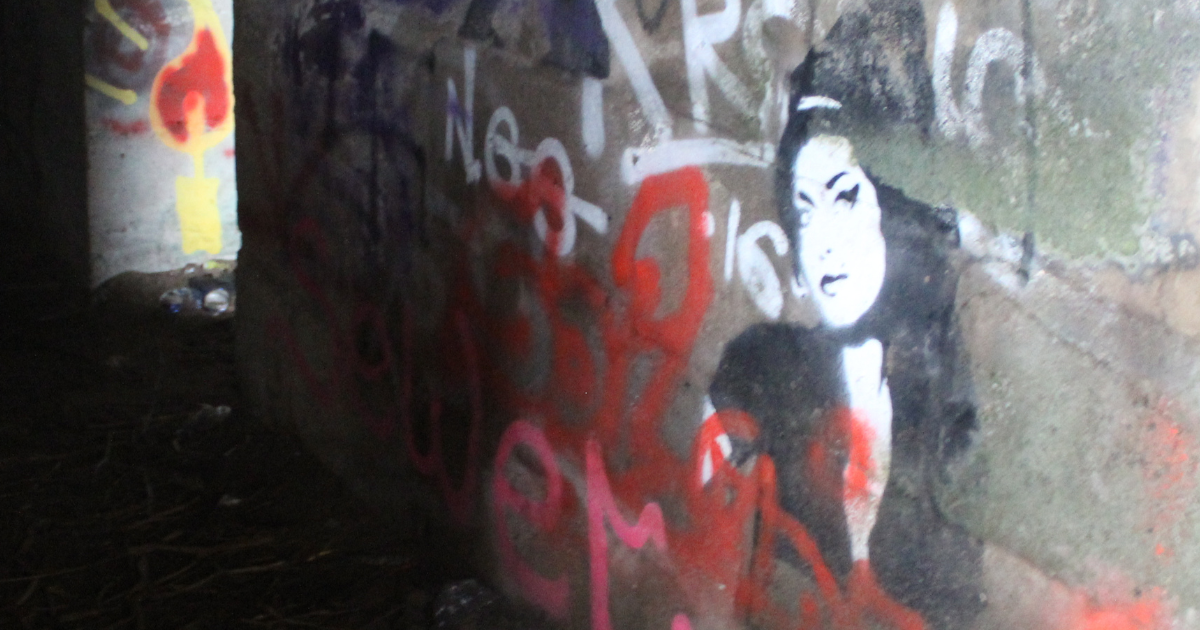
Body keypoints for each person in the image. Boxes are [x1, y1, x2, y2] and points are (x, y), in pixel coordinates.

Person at [703, 46, 984, 630]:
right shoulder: (761, 367)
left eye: (846, 196)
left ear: (895, 210)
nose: (824, 240)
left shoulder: (951, 403)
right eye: (805, 212)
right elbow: (689, 521)